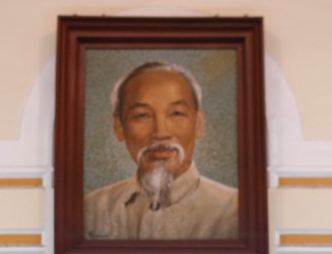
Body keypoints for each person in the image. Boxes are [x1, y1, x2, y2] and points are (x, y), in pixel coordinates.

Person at [84, 61, 238, 240]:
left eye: (176, 113)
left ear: (198, 124)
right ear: (119, 127)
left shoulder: (235, 210)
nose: (160, 133)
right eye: (142, 115)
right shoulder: (92, 209)